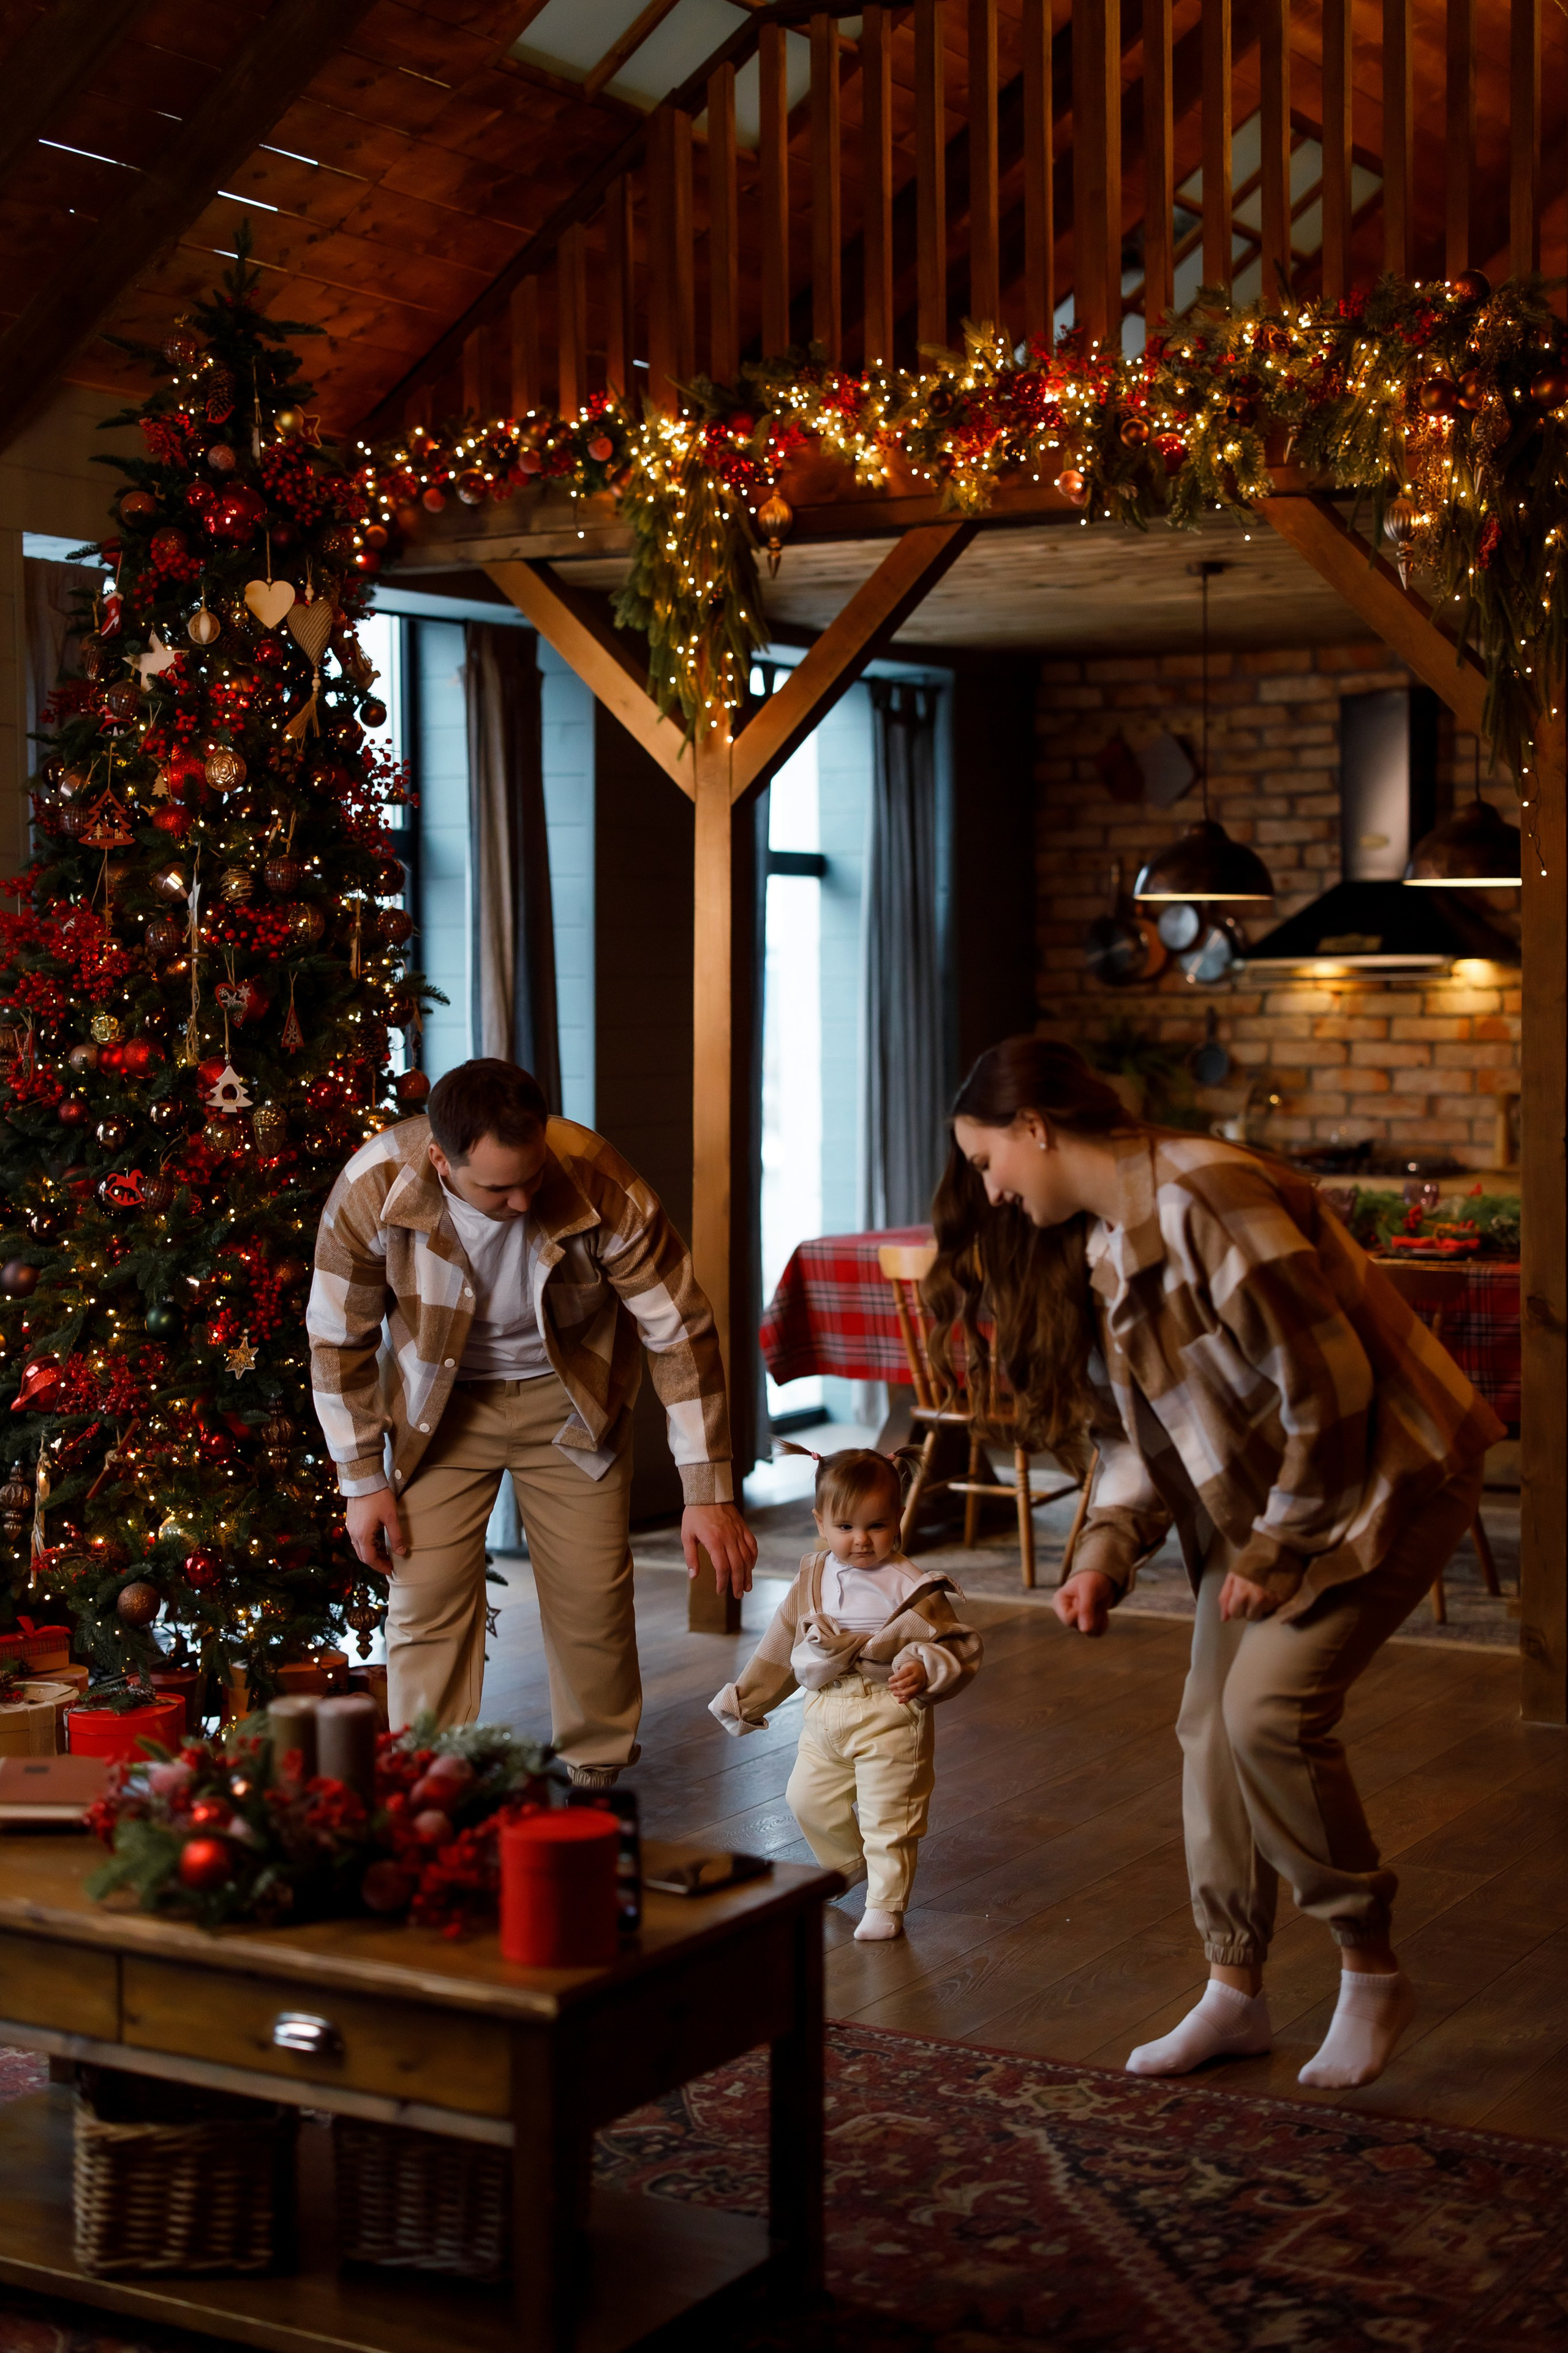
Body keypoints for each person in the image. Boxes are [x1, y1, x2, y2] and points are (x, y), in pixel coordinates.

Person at [930, 1036, 1502, 2087]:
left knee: (1265, 1716)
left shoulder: (1205, 1197)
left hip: (1390, 1473)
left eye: (985, 1161)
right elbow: (1144, 1436)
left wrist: (1281, 1552)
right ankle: (1234, 1991)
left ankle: (1371, 1969)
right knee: (1209, 1730)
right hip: (1275, 1499)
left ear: (1035, 1129)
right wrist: (1103, 1550)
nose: (990, 1189)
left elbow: (1327, 1393)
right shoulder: (1105, 1245)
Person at [307, 1057, 756, 1780]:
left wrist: (708, 1489)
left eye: (531, 1176)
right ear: (440, 1160)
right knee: (424, 1606)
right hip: (439, 1410)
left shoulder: (598, 1179)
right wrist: (361, 1479)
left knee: (592, 1606)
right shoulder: (373, 1187)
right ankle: (431, 1782)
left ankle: (596, 1781)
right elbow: (338, 1339)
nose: (520, 1201)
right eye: (496, 1187)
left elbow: (678, 1328)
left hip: (571, 1402)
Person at [709, 1445, 982, 1942]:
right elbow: (782, 1640)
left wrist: (924, 1669)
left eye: (876, 1526)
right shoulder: (813, 1575)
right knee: (805, 1797)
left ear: (898, 1518)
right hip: (824, 1707)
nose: (861, 1540)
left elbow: (955, 1647)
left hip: (891, 1710)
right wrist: (748, 1698)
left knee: (889, 1813)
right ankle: (846, 1863)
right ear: (820, 1522)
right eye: (846, 1527)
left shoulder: (911, 1586)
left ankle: (885, 1902)